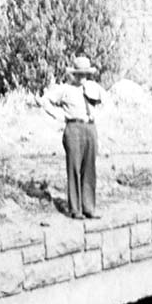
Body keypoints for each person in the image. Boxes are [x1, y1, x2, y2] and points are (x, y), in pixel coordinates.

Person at [35, 56, 107, 219]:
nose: (82, 77)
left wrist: (98, 116)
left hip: (90, 128)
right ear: (73, 74)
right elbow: (45, 100)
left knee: (90, 169)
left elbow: (106, 101)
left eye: (85, 74)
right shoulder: (65, 89)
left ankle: (89, 208)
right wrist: (59, 116)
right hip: (73, 129)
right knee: (74, 168)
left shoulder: (94, 87)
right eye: (79, 74)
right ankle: (75, 210)